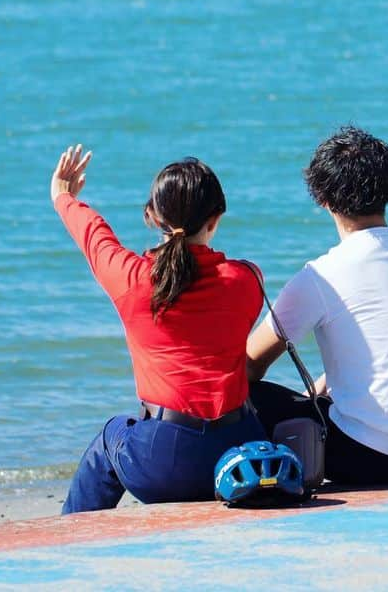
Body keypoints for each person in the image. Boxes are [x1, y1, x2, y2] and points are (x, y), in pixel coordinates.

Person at [52, 145, 266, 513]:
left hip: (163, 465)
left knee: (110, 438)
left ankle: (70, 538)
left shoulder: (132, 279)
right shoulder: (246, 281)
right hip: (238, 456)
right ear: (215, 220)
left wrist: (63, 196)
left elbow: (95, 236)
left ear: (151, 216)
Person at [246, 126, 388, 485]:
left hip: (371, 460)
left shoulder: (320, 276)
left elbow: (250, 364)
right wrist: (318, 389)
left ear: (323, 199)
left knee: (246, 395)